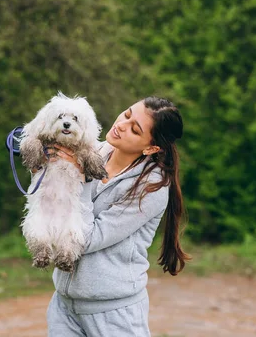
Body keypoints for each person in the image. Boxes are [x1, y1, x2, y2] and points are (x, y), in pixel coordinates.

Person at [43, 96, 190, 336]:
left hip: (114, 314)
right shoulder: (94, 152)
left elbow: (85, 239)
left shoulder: (151, 188)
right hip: (64, 307)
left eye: (134, 129)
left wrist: (83, 177)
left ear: (151, 148)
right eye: (127, 114)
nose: (122, 124)